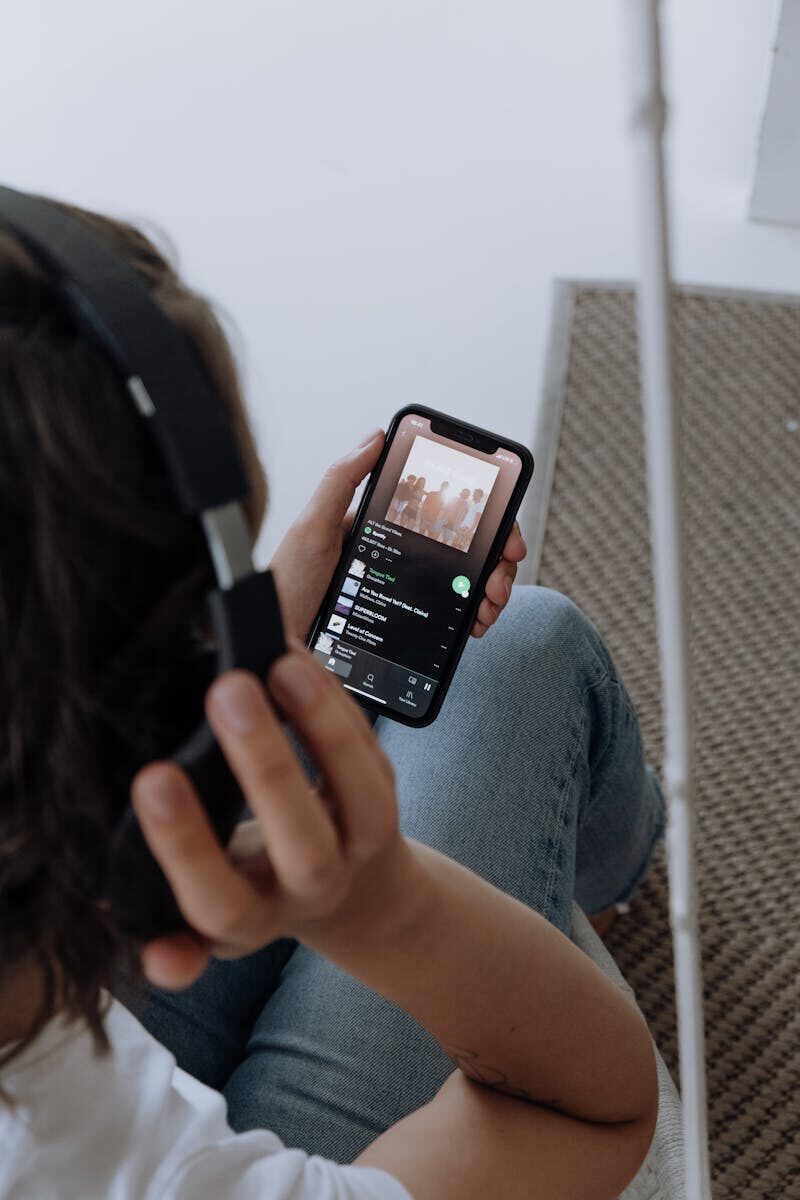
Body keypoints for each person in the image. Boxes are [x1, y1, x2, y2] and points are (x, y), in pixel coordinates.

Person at [0, 198, 662, 1200]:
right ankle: (596, 902)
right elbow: (586, 1106)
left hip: (96, 1024)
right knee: (523, 646)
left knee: (468, 656)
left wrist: (258, 630)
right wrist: (378, 906)